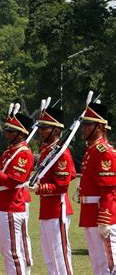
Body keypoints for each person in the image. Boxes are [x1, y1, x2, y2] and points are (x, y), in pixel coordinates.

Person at [24, 106, 75, 274]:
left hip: (57, 208)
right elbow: (72, 173)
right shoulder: (48, 150)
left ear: (56, 129)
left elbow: (63, 185)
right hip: (47, 208)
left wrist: (40, 188)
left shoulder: (61, 153)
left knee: (60, 254)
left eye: (45, 128)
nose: (41, 132)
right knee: (48, 254)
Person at [0, 109, 34, 275]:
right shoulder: (10, 151)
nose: (7, 134)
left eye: (11, 132)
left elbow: (13, 180)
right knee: (7, 252)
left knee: (13, 253)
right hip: (2, 204)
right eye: (7, 131)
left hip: (11, 206)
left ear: (21, 134)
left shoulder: (23, 154)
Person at [78, 102, 116, 274]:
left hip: (101, 213)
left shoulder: (103, 151)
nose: (84, 128)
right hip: (89, 211)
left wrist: (105, 219)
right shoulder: (91, 150)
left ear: (99, 126)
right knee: (97, 261)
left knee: (109, 263)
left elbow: (109, 189)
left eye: (88, 125)